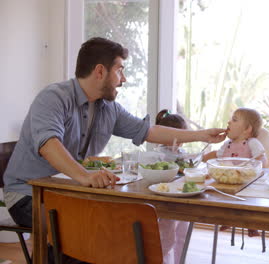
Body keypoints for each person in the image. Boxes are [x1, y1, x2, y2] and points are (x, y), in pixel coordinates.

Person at [3, 37, 226, 230]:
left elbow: (148, 131)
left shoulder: (108, 107)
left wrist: (203, 135)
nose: (124, 78)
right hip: (28, 195)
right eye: (120, 70)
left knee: (120, 224)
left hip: (68, 192)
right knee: (89, 229)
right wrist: (85, 176)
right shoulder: (54, 97)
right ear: (100, 71)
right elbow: (48, 145)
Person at [203, 107, 266, 237]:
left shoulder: (252, 143)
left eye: (234, 120)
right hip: (227, 180)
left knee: (248, 201)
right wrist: (203, 158)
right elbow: (217, 155)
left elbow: (261, 159)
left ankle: (252, 224)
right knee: (221, 196)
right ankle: (227, 219)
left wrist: (253, 166)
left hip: (246, 182)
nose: (229, 122)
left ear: (247, 129)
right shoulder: (227, 144)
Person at [154, 109, 190, 264]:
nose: (182, 141)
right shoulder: (159, 154)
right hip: (166, 200)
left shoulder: (182, 151)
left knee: (183, 236)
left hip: (183, 198)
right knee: (166, 239)